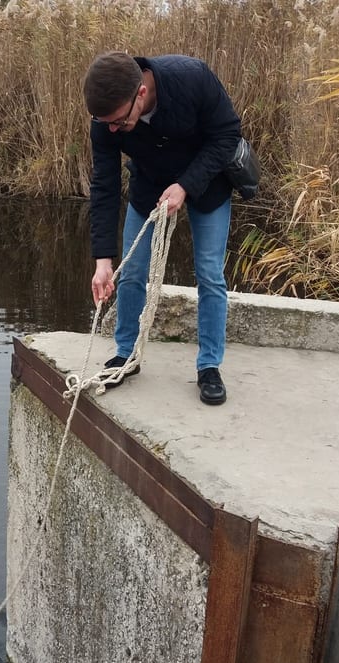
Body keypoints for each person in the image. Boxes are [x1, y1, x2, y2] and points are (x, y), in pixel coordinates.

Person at [83, 51, 241, 406]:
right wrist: (103, 261)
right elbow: (104, 186)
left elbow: (227, 135)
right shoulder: (106, 118)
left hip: (207, 184)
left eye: (119, 123)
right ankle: (126, 356)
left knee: (210, 274)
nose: (112, 129)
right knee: (132, 271)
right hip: (149, 186)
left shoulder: (192, 77)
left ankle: (209, 367)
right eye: (104, 123)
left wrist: (185, 185)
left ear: (140, 94)